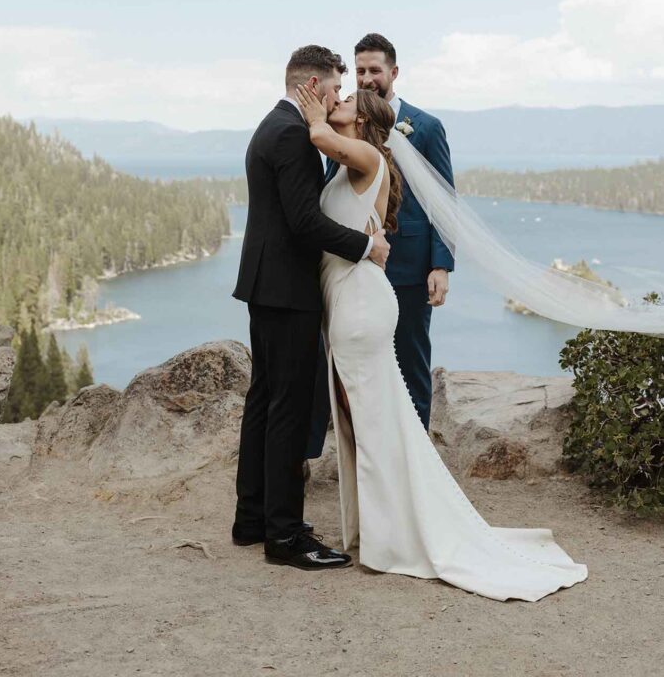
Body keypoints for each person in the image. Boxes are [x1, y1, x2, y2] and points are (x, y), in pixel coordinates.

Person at [294, 81, 588, 601]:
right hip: (346, 299)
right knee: (362, 421)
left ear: (362, 121)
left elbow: (319, 135)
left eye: (347, 100)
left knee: (373, 422)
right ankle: (379, 528)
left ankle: (393, 537)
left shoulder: (367, 157)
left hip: (360, 306)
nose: (338, 101)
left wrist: (312, 110)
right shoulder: (343, 166)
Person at [231, 45, 390, 572]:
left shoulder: (273, 125)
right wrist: (366, 246)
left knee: (264, 400)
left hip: (266, 286)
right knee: (289, 409)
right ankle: (284, 533)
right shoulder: (294, 134)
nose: (340, 96)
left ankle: (252, 518)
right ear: (313, 86)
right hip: (289, 290)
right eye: (337, 87)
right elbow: (304, 222)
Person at [306, 32, 453, 460]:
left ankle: (415, 454)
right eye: (360, 71)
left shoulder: (426, 127)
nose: (366, 78)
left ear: (394, 72)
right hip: (353, 264)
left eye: (375, 70)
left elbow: (443, 200)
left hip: (409, 266)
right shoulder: (344, 125)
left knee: (410, 360)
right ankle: (355, 453)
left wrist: (440, 265)